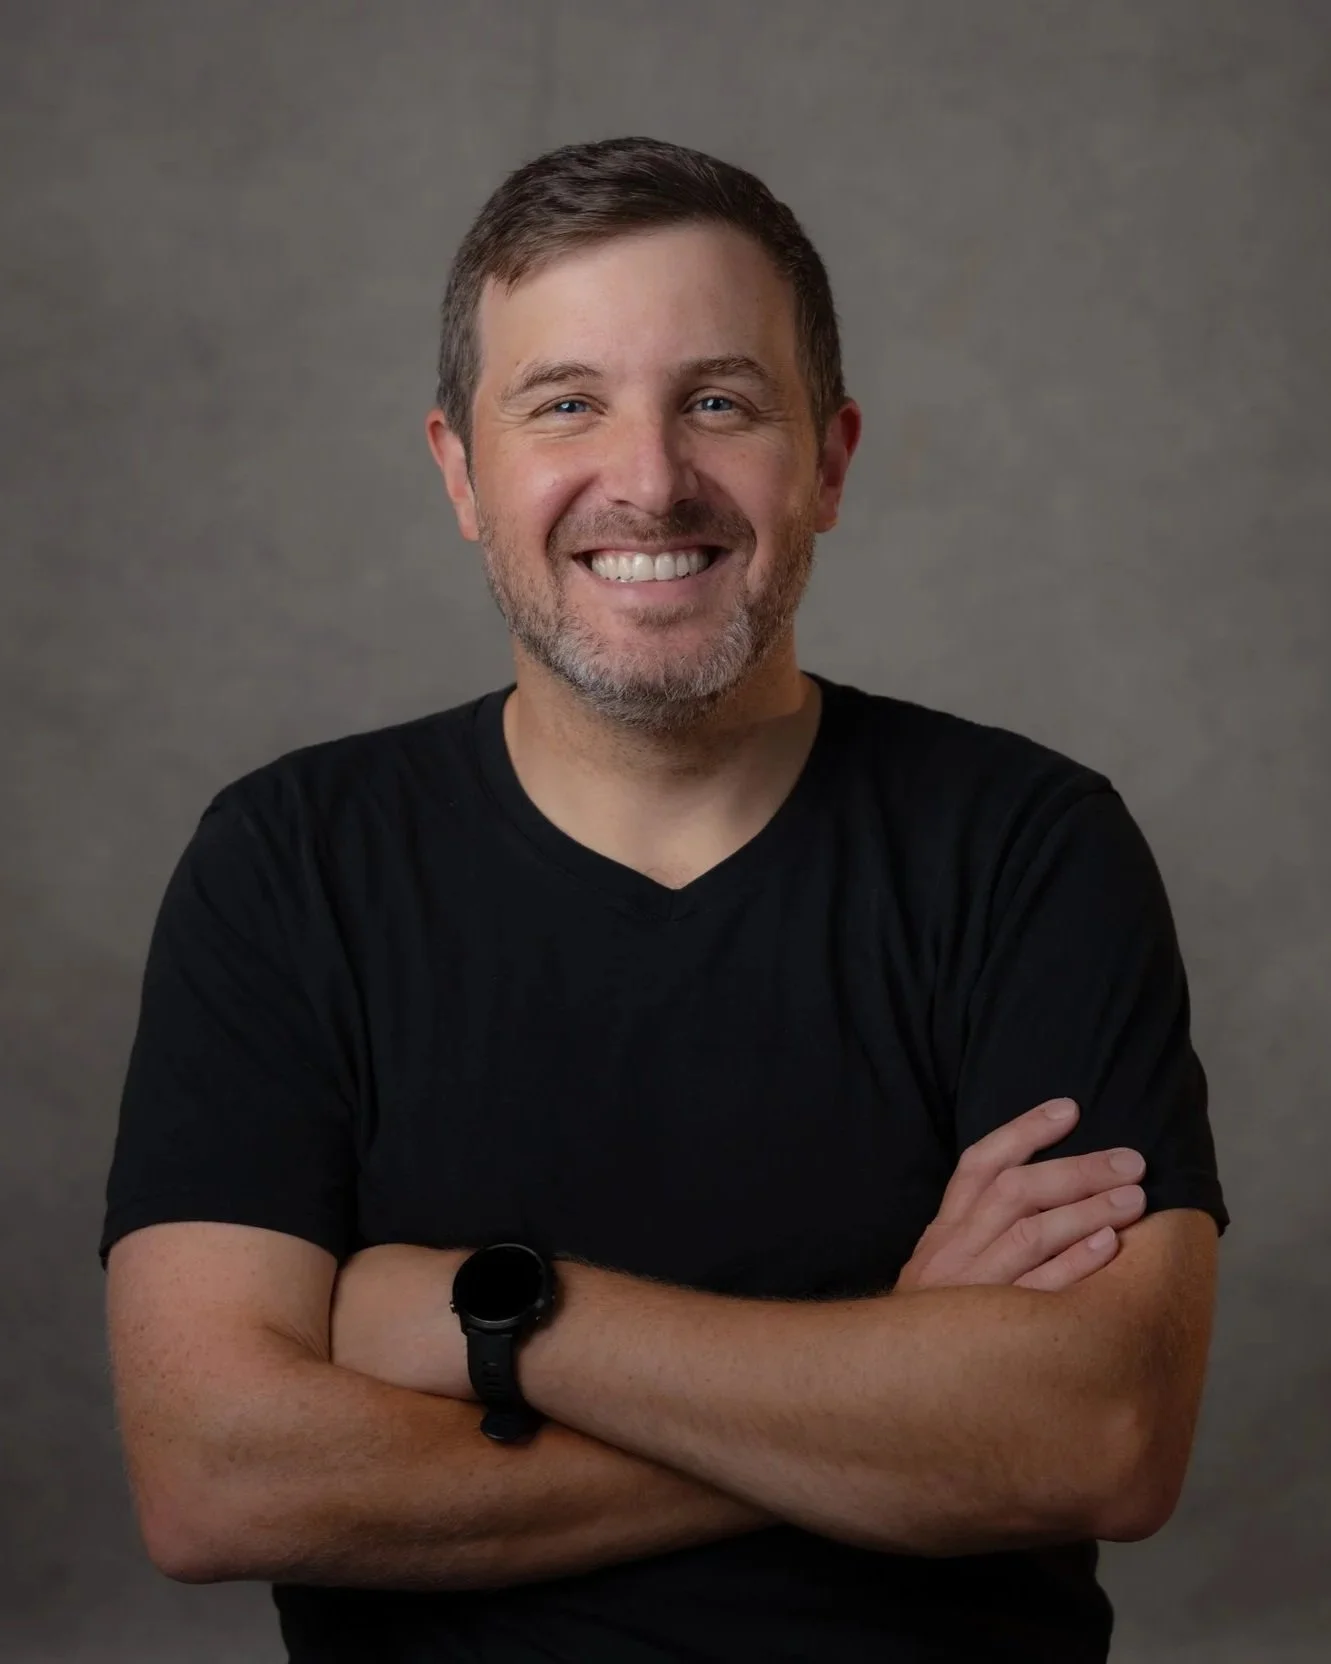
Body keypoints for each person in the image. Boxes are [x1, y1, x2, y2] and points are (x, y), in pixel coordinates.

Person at [100, 136, 1228, 1664]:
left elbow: (1100, 1440)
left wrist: (504, 1320)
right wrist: (890, 1393)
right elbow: (214, 1482)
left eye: (718, 402)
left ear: (827, 463)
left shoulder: (1029, 849)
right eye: (565, 403)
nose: (646, 481)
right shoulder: (288, 865)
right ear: (460, 471)